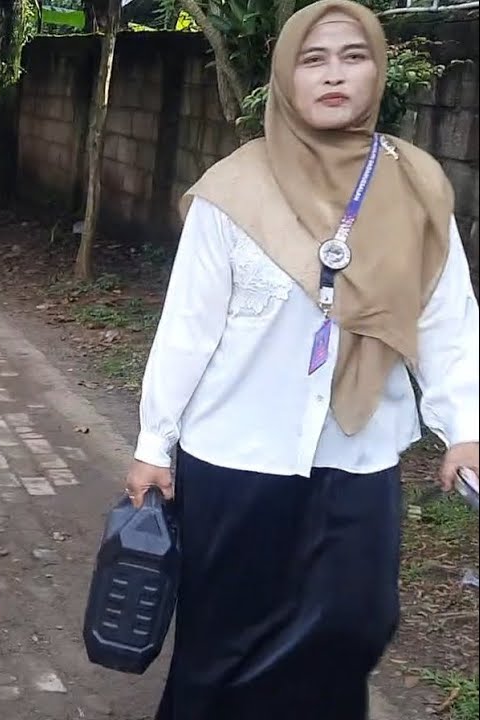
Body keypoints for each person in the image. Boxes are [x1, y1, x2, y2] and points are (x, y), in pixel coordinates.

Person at [126, 3, 480, 718]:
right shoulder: (232, 190)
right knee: (222, 645)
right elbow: (187, 330)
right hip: (235, 456)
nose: (334, 74)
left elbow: (446, 316)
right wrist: (152, 443)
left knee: (354, 627)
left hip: (360, 454)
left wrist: (463, 423)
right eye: (313, 59)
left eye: (353, 56)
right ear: (286, 76)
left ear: (378, 70)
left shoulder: (415, 186)